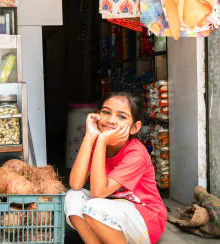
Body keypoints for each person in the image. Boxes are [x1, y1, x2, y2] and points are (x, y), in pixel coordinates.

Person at [65, 92, 167, 244]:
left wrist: (101, 141)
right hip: (110, 213)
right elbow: (75, 183)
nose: (111, 120)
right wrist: (89, 136)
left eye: (121, 116)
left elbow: (98, 193)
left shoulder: (135, 153)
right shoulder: (95, 143)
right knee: (73, 195)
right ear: (97, 115)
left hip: (144, 219)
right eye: (106, 112)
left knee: (94, 206)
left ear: (134, 127)